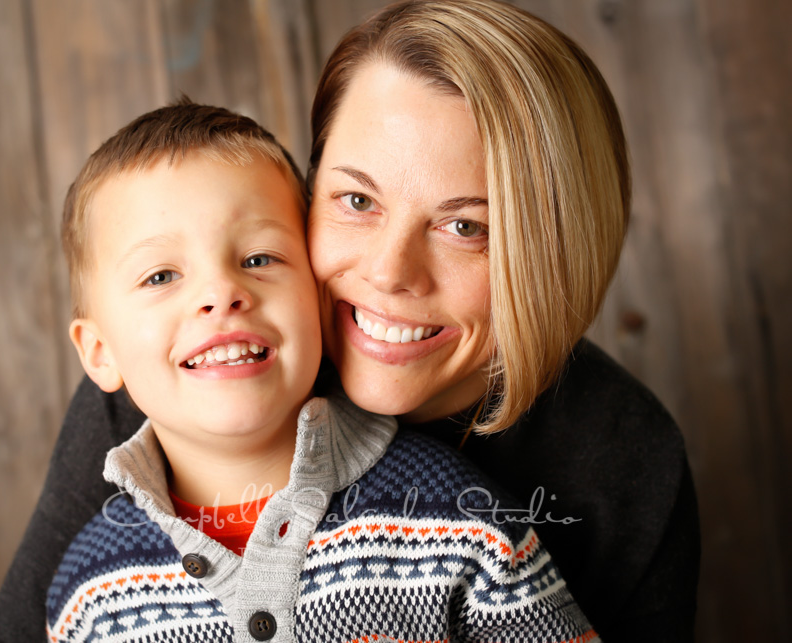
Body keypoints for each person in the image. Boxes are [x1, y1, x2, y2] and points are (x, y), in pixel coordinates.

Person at [0, 1, 699, 641]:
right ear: (308, 188)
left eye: (464, 226)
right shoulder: (189, 377)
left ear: (557, 253)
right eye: (357, 201)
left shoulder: (624, 462)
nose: (390, 272)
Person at [42, 98, 598, 642]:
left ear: (316, 288)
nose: (221, 294)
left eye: (259, 259)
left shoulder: (459, 522)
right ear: (98, 351)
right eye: (160, 276)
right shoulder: (88, 596)